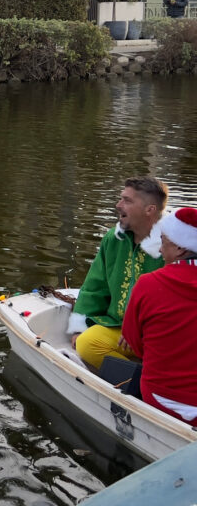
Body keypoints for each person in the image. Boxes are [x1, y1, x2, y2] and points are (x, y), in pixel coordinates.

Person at [68, 176, 168, 372]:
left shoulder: (173, 245)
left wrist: (139, 331)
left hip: (159, 335)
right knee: (87, 343)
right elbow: (94, 287)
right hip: (117, 327)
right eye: (121, 198)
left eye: (127, 201)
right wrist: (79, 327)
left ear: (150, 210)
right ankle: (138, 379)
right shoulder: (113, 239)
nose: (118, 205)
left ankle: (152, 375)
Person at [121, 206, 197, 423]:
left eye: (164, 241)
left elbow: (135, 344)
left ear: (181, 249)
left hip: (161, 398)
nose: (160, 250)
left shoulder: (148, 284)